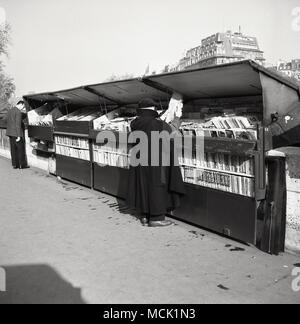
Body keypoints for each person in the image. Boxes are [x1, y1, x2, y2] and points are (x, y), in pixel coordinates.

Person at [126, 98, 185, 227]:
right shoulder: (157, 123)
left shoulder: (134, 123)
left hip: (139, 160)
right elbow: (171, 135)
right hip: (156, 160)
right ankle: (156, 218)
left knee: (142, 185)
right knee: (156, 186)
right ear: (153, 109)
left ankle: (144, 216)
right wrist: (175, 123)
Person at [6, 100, 29, 169]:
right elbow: (18, 125)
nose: (23, 108)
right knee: (20, 149)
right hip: (16, 133)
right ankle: (22, 165)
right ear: (21, 104)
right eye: (23, 106)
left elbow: (8, 121)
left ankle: (15, 164)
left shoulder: (10, 111)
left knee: (13, 150)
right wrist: (19, 136)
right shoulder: (18, 112)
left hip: (10, 133)